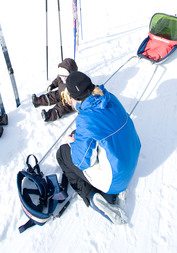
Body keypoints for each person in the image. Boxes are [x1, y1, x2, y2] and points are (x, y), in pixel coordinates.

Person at [56, 71, 141, 224]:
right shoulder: (108, 97)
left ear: (74, 97)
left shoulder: (86, 119)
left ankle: (95, 197)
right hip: (131, 160)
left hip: (116, 179)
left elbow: (82, 162)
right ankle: (113, 188)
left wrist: (72, 143)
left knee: (63, 154)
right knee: (82, 136)